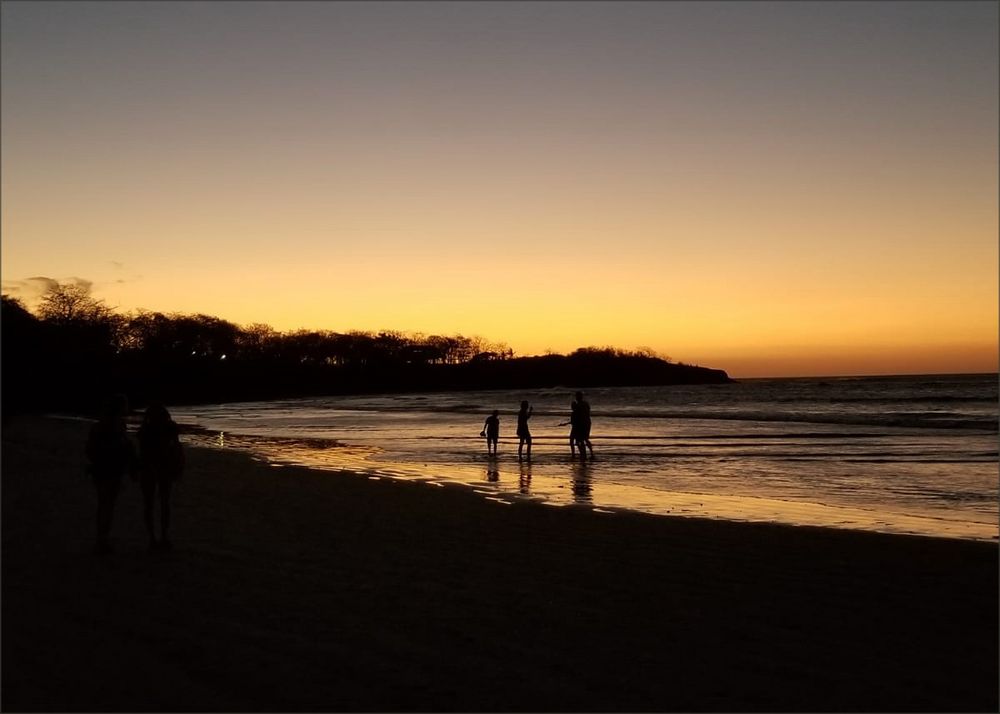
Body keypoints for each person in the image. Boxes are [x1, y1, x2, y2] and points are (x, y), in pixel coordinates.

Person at [85, 393, 135, 554]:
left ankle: (102, 538)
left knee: (105, 504)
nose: (127, 408)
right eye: (125, 405)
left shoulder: (105, 425)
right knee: (107, 504)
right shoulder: (111, 426)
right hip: (108, 469)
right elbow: (119, 446)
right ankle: (102, 540)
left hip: (105, 469)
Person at [136, 403, 185, 550]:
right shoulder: (166, 428)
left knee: (151, 504)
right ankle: (162, 537)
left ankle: (154, 538)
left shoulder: (146, 430)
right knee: (162, 503)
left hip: (154, 468)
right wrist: (179, 465)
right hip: (160, 467)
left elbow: (143, 453)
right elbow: (177, 448)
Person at [574, 390, 595, 458]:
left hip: (582, 423)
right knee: (584, 439)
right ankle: (589, 453)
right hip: (586, 422)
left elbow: (578, 414)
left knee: (580, 439)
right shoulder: (585, 404)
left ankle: (584, 454)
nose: (576, 397)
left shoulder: (579, 405)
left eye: (577, 396)